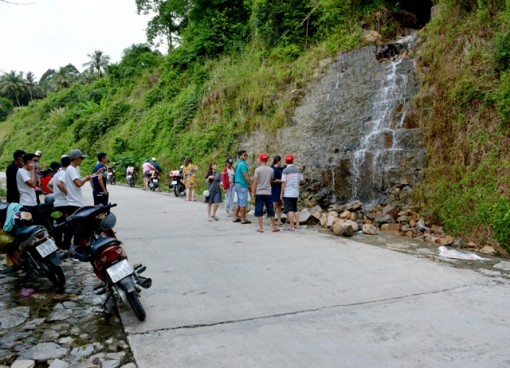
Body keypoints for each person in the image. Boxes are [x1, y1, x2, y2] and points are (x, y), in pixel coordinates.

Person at [48, 155, 70, 249]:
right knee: (67, 226)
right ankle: (65, 246)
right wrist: (67, 194)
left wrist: (56, 193)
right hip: (64, 204)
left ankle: (58, 245)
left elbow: (49, 185)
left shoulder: (57, 174)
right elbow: (59, 184)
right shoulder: (65, 173)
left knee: (59, 225)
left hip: (57, 204)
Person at [252, 153, 279, 233]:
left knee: (259, 209)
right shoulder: (271, 170)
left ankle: (261, 227)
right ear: (267, 160)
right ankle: (273, 227)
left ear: (260, 160)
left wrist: (253, 192)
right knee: (270, 209)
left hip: (259, 192)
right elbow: (271, 180)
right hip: (268, 192)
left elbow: (255, 182)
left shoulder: (258, 170)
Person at [280, 154, 304, 231]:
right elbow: (301, 180)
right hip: (296, 192)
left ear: (286, 161)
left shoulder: (285, 170)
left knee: (289, 210)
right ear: (292, 160)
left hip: (288, 192)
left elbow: (283, 182)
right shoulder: (298, 170)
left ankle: (291, 226)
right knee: (295, 209)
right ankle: (297, 224)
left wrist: (281, 193)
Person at [16, 153, 41, 224]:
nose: (36, 163)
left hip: (33, 202)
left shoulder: (29, 172)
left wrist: (32, 171)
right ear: (28, 162)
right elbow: (33, 184)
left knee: (37, 224)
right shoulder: (21, 171)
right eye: (34, 161)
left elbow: (35, 184)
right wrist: (33, 170)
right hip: (26, 203)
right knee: (29, 225)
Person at [232, 150, 252, 224]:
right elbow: (245, 175)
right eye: (244, 155)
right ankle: (243, 219)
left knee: (239, 202)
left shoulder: (237, 163)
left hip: (237, 184)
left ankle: (235, 217)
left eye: (246, 154)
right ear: (240, 156)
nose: (246, 156)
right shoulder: (242, 164)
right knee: (243, 203)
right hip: (242, 184)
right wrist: (251, 183)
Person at [271, 155, 285, 226]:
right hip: (275, 188)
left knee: (279, 204)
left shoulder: (278, 168)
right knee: (275, 204)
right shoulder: (274, 169)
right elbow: (273, 180)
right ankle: (272, 219)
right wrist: (282, 181)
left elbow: (285, 167)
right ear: (279, 161)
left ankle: (279, 220)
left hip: (279, 187)